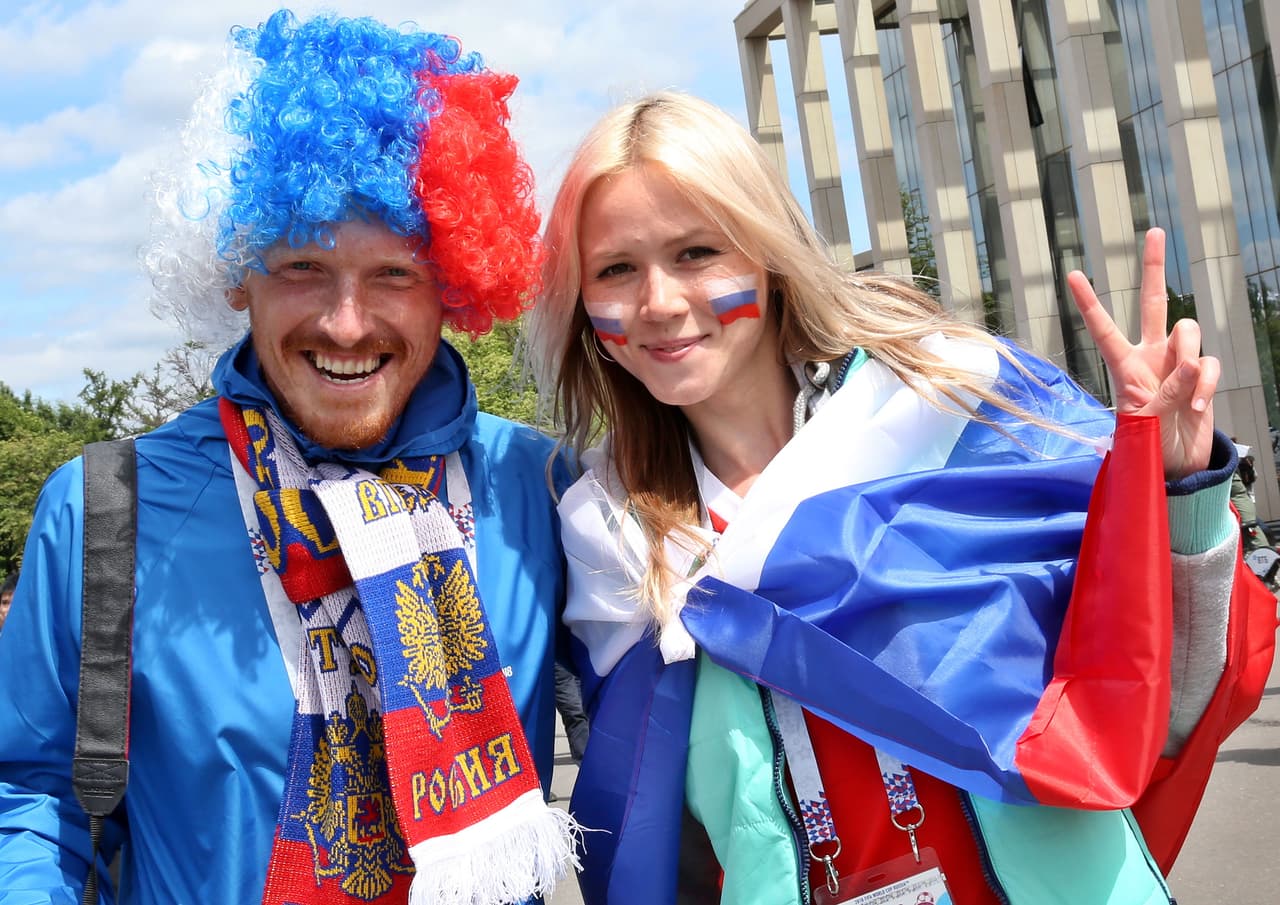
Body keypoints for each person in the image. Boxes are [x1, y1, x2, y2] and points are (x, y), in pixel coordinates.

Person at [530, 91, 1277, 905]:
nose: (660, 302)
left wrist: (1174, 491)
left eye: (698, 251)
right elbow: (658, 857)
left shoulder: (947, 408)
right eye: (616, 270)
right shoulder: (608, 541)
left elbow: (1166, 702)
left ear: (769, 252)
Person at [0, 11, 579, 905]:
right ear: (238, 274)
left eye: (395, 274)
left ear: (454, 288)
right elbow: (32, 797)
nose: (346, 324)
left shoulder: (540, 489)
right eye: (305, 266)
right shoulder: (105, 510)